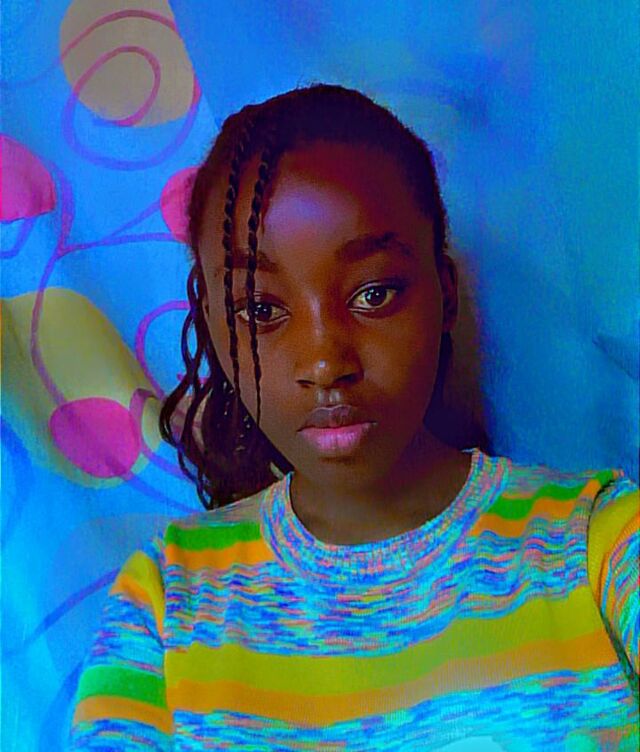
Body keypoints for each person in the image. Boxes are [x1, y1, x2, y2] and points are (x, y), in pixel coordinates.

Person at [68, 83, 639, 750]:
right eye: (261, 310)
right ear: (214, 330)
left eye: (373, 294)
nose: (324, 362)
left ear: (445, 293)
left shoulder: (599, 542)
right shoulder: (165, 608)